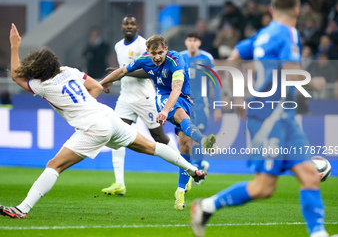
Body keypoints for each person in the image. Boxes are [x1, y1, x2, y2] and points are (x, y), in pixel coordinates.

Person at [0, 24, 207, 219]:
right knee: (152, 146)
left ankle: (22, 209)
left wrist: (15, 46)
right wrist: (87, 104)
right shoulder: (68, 71)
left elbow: (17, 76)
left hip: (93, 127)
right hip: (107, 116)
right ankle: (192, 169)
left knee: (54, 165)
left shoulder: (42, 85)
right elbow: (96, 86)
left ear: (38, 68)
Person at [190, 0, 338, 237]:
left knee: (310, 176)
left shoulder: (262, 35)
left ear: (271, 10)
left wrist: (237, 96)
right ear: (298, 11)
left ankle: (318, 234)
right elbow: (291, 71)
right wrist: (315, 82)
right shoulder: (288, 32)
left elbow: (232, 59)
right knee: (263, 187)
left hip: (283, 115)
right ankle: (206, 206)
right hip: (270, 117)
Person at [100, 35, 216, 211]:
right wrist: (101, 83)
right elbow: (123, 71)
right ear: (148, 52)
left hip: (184, 98)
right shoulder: (144, 60)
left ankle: (180, 191)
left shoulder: (176, 60)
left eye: (160, 53)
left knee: (185, 146)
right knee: (179, 115)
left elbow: (177, 89)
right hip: (164, 98)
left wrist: (163, 111)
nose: (157, 57)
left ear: (166, 50)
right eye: (153, 53)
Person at [101, 15, 179, 196]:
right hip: (125, 98)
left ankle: (185, 170)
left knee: (159, 137)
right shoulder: (118, 46)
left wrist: (123, 74)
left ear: (138, 26)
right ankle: (119, 183)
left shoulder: (145, 45)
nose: (129, 26)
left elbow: (150, 72)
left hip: (145, 98)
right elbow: (120, 69)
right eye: (126, 23)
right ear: (122, 26)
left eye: (133, 24)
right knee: (116, 135)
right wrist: (111, 80)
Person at [180, 31, 222, 188]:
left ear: (199, 43)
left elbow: (215, 83)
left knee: (198, 137)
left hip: (201, 104)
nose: (192, 42)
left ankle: (197, 169)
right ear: (186, 42)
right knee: (187, 139)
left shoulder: (206, 58)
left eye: (195, 40)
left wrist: (217, 107)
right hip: (184, 104)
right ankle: (199, 165)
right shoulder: (180, 57)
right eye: (189, 39)